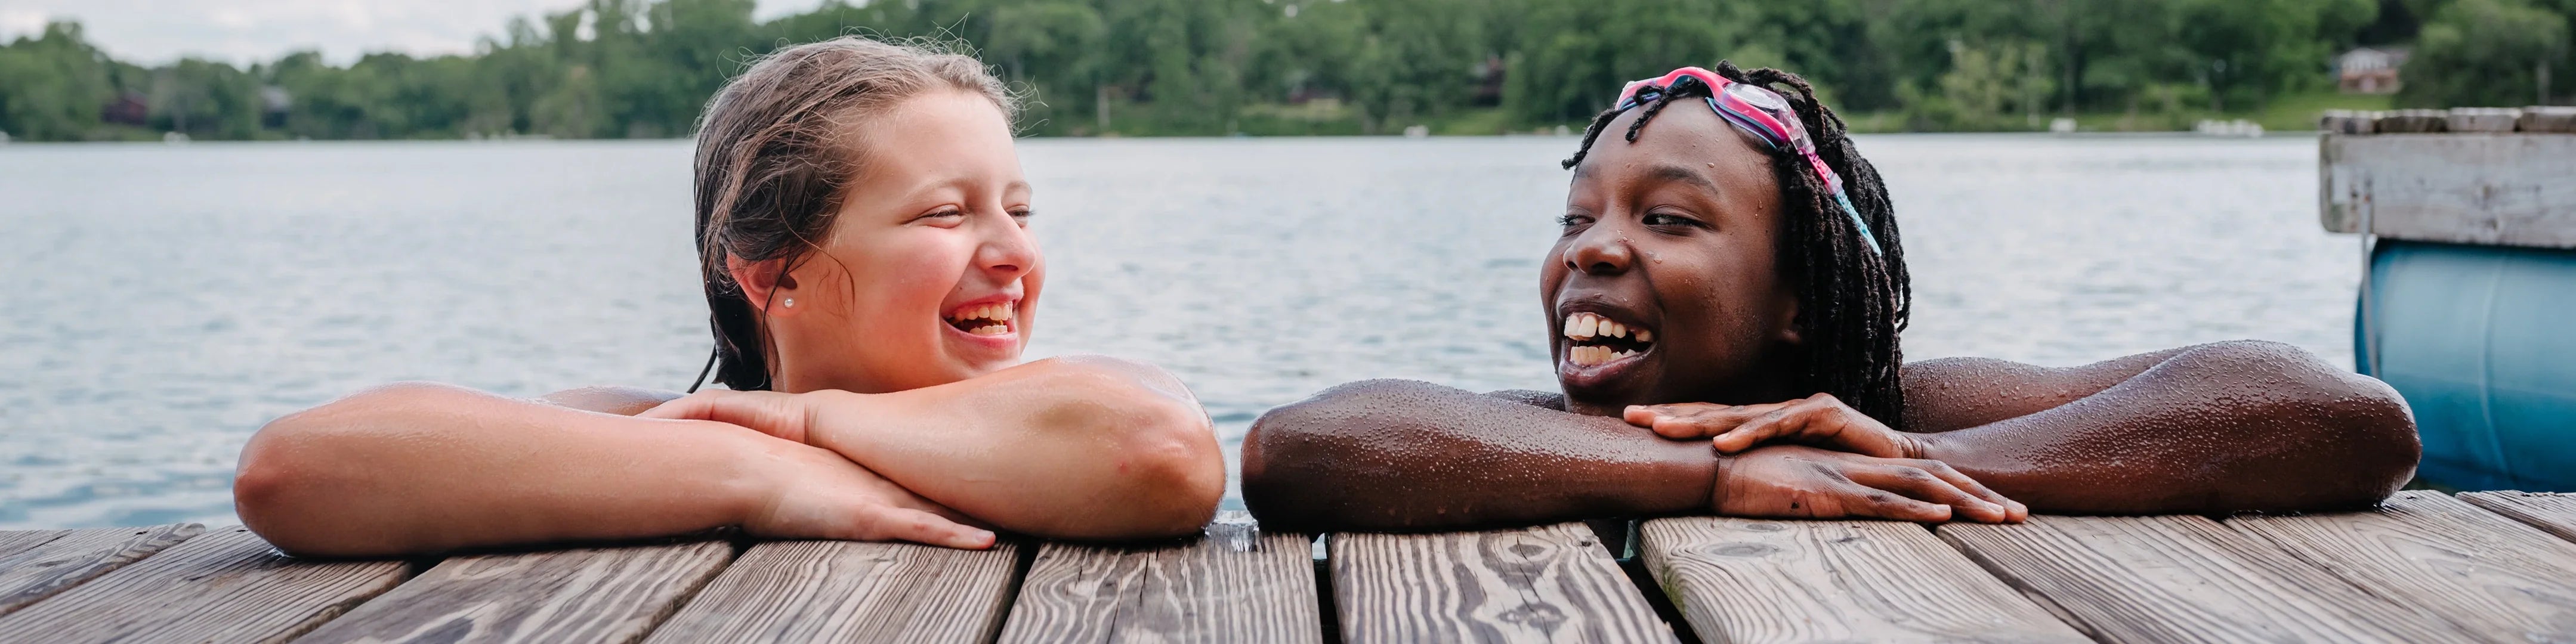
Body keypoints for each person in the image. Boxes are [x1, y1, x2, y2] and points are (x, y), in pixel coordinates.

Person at [1239, 63, 2420, 533]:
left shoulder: (1895, 405)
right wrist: (1715, 475)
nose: (1591, 251)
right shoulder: (1547, 436)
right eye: (1574, 219)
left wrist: (1906, 462)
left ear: (1798, 298)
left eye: (1665, 219)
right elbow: (1298, 446)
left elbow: (2340, 414)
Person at [234, 37, 1227, 558]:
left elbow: (1161, 455)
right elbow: (290, 471)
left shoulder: (1060, 411)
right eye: (944, 215)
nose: (1014, 253)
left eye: (1018, 209)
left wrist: (799, 418)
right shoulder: (660, 432)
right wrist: (763, 474)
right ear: (774, 272)